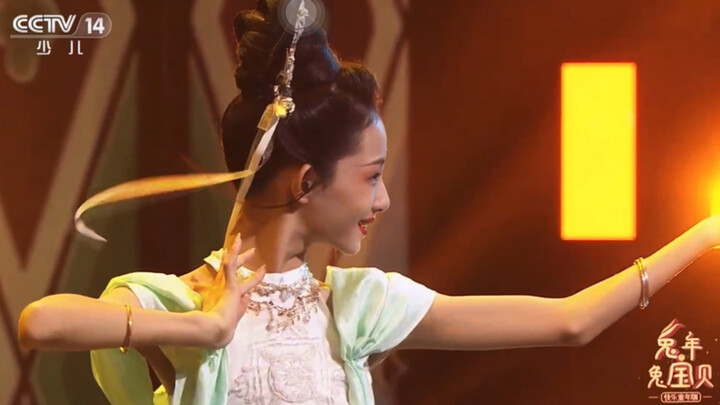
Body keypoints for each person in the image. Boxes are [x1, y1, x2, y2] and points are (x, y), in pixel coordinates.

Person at [16, 1, 720, 404]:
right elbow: (41, 321)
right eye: (371, 176)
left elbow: (570, 322)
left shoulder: (356, 307)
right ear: (306, 182)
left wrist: (704, 234)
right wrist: (206, 330)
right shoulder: (182, 305)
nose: (382, 199)